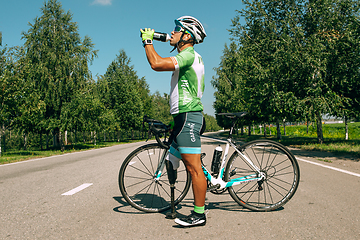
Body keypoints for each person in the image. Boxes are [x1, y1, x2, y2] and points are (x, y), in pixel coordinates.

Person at [140, 16, 207, 227]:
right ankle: (176, 201)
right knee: (173, 158)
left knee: (194, 169)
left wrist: (148, 42)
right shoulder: (188, 55)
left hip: (189, 116)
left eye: (176, 30)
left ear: (186, 36)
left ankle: (199, 215)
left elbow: (156, 64)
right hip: (183, 117)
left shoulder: (188, 55)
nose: (172, 33)